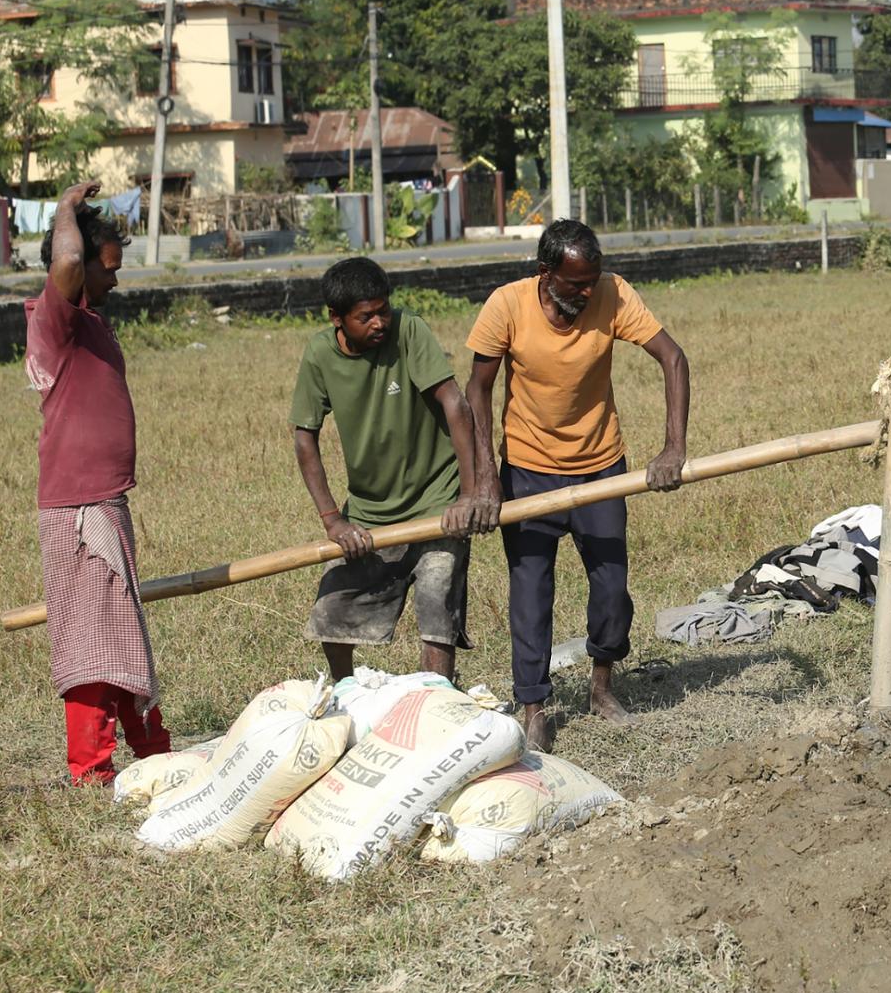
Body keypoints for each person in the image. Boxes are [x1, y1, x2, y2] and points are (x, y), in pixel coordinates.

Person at [462, 219, 690, 752]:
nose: (587, 292)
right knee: (530, 594)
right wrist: (486, 480)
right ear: (545, 274)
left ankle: (602, 686)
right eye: (575, 284)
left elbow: (673, 358)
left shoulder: (612, 293)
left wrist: (673, 447)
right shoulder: (506, 306)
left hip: (600, 464)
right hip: (528, 470)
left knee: (612, 587)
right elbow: (478, 392)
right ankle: (535, 706)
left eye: (592, 281)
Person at [25, 180, 172, 785]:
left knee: (120, 632)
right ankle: (91, 768)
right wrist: (65, 208)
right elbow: (63, 261)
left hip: (103, 502)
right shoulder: (53, 320)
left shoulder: (93, 322)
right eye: (107, 269)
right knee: (94, 642)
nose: (115, 281)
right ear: (77, 268)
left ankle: (155, 752)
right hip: (78, 509)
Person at [291, 257, 487, 683]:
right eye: (366, 316)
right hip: (369, 511)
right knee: (333, 608)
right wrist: (333, 521)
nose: (380, 322)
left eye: (383, 310)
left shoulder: (408, 329)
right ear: (337, 319)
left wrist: (468, 495)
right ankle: (344, 695)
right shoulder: (320, 354)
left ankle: (437, 701)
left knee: (437, 606)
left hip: (437, 501)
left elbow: (455, 403)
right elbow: (304, 438)